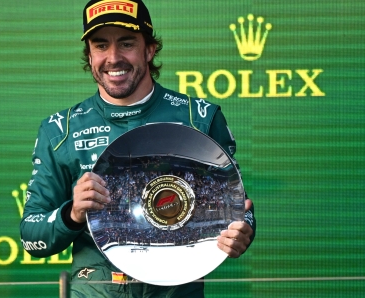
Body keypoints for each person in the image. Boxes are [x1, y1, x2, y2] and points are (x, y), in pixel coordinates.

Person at [20, 0, 256, 297]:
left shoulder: (200, 118)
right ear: (89, 55)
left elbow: (239, 210)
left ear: (149, 49)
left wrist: (243, 231)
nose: (113, 58)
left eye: (127, 43)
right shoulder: (60, 130)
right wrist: (73, 214)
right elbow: (31, 236)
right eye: (101, 45)